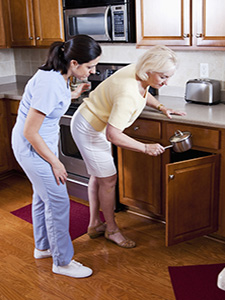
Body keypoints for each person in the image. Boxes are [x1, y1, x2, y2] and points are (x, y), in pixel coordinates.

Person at [70, 45, 186, 249]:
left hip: (93, 122)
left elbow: (144, 91)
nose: (166, 83)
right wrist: (145, 147)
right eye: (163, 77)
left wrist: (161, 107)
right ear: (149, 70)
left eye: (168, 77)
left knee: (99, 176)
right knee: (108, 180)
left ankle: (95, 224)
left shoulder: (139, 71)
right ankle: (111, 230)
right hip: (89, 128)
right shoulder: (127, 93)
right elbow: (113, 134)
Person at [11, 35, 102, 278]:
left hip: (38, 146)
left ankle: (43, 247)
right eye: (90, 66)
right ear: (74, 63)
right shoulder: (50, 83)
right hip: (33, 148)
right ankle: (62, 262)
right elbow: (30, 131)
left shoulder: (58, 77)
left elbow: (51, 104)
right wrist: (56, 162)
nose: (93, 71)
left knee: (43, 198)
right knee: (59, 202)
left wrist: (73, 94)